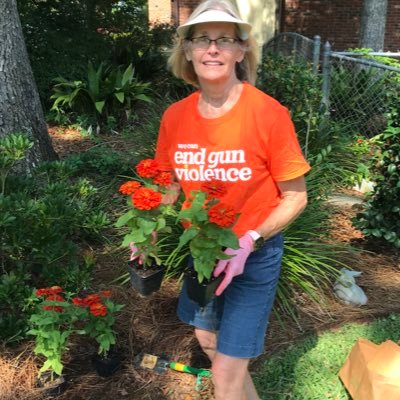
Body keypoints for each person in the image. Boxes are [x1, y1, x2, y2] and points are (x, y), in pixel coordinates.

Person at [154, 1, 310, 399]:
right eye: (202, 38)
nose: (212, 49)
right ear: (186, 49)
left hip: (252, 255)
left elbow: (295, 198)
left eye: (225, 39)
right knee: (208, 340)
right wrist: (148, 229)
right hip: (204, 252)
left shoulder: (268, 114)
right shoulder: (175, 117)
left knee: (224, 373)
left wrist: (251, 238)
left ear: (241, 50)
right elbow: (169, 185)